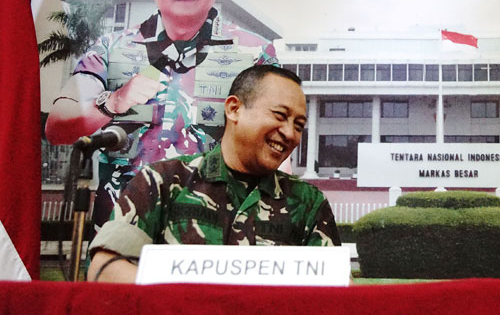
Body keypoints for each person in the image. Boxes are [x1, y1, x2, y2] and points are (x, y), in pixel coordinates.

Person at [45, 0, 278, 228]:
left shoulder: (254, 54)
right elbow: (58, 127)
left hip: (217, 232)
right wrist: (113, 103)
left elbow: (276, 141)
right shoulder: (111, 49)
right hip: (123, 233)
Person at [87, 65, 340, 283]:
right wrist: (192, 304)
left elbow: (338, 287)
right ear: (234, 109)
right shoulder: (163, 182)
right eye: (279, 115)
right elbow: (106, 268)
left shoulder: (308, 203)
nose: (289, 133)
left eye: (298, 126)